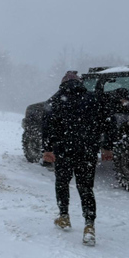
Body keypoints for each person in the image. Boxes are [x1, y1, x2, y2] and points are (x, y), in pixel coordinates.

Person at [42, 71, 112, 246]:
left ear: (62, 83)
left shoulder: (55, 100)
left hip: (64, 151)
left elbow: (47, 126)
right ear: (80, 83)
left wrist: (47, 149)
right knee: (86, 187)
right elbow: (109, 122)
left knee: (62, 182)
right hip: (87, 151)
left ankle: (64, 216)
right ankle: (89, 226)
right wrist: (107, 146)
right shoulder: (94, 99)